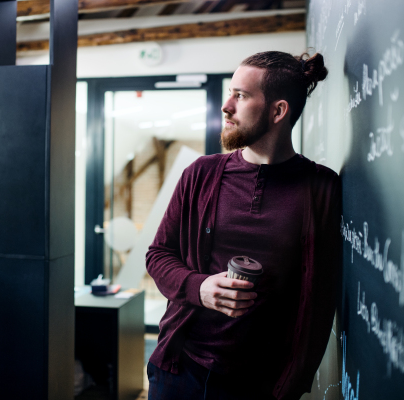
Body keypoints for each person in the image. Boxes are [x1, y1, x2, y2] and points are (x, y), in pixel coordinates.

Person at [145, 51, 342, 400]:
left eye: (241, 95)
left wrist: (289, 386)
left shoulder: (320, 188)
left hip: (259, 385)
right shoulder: (201, 174)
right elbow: (159, 255)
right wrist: (199, 287)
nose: (226, 106)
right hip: (179, 371)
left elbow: (321, 299)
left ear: (278, 111)